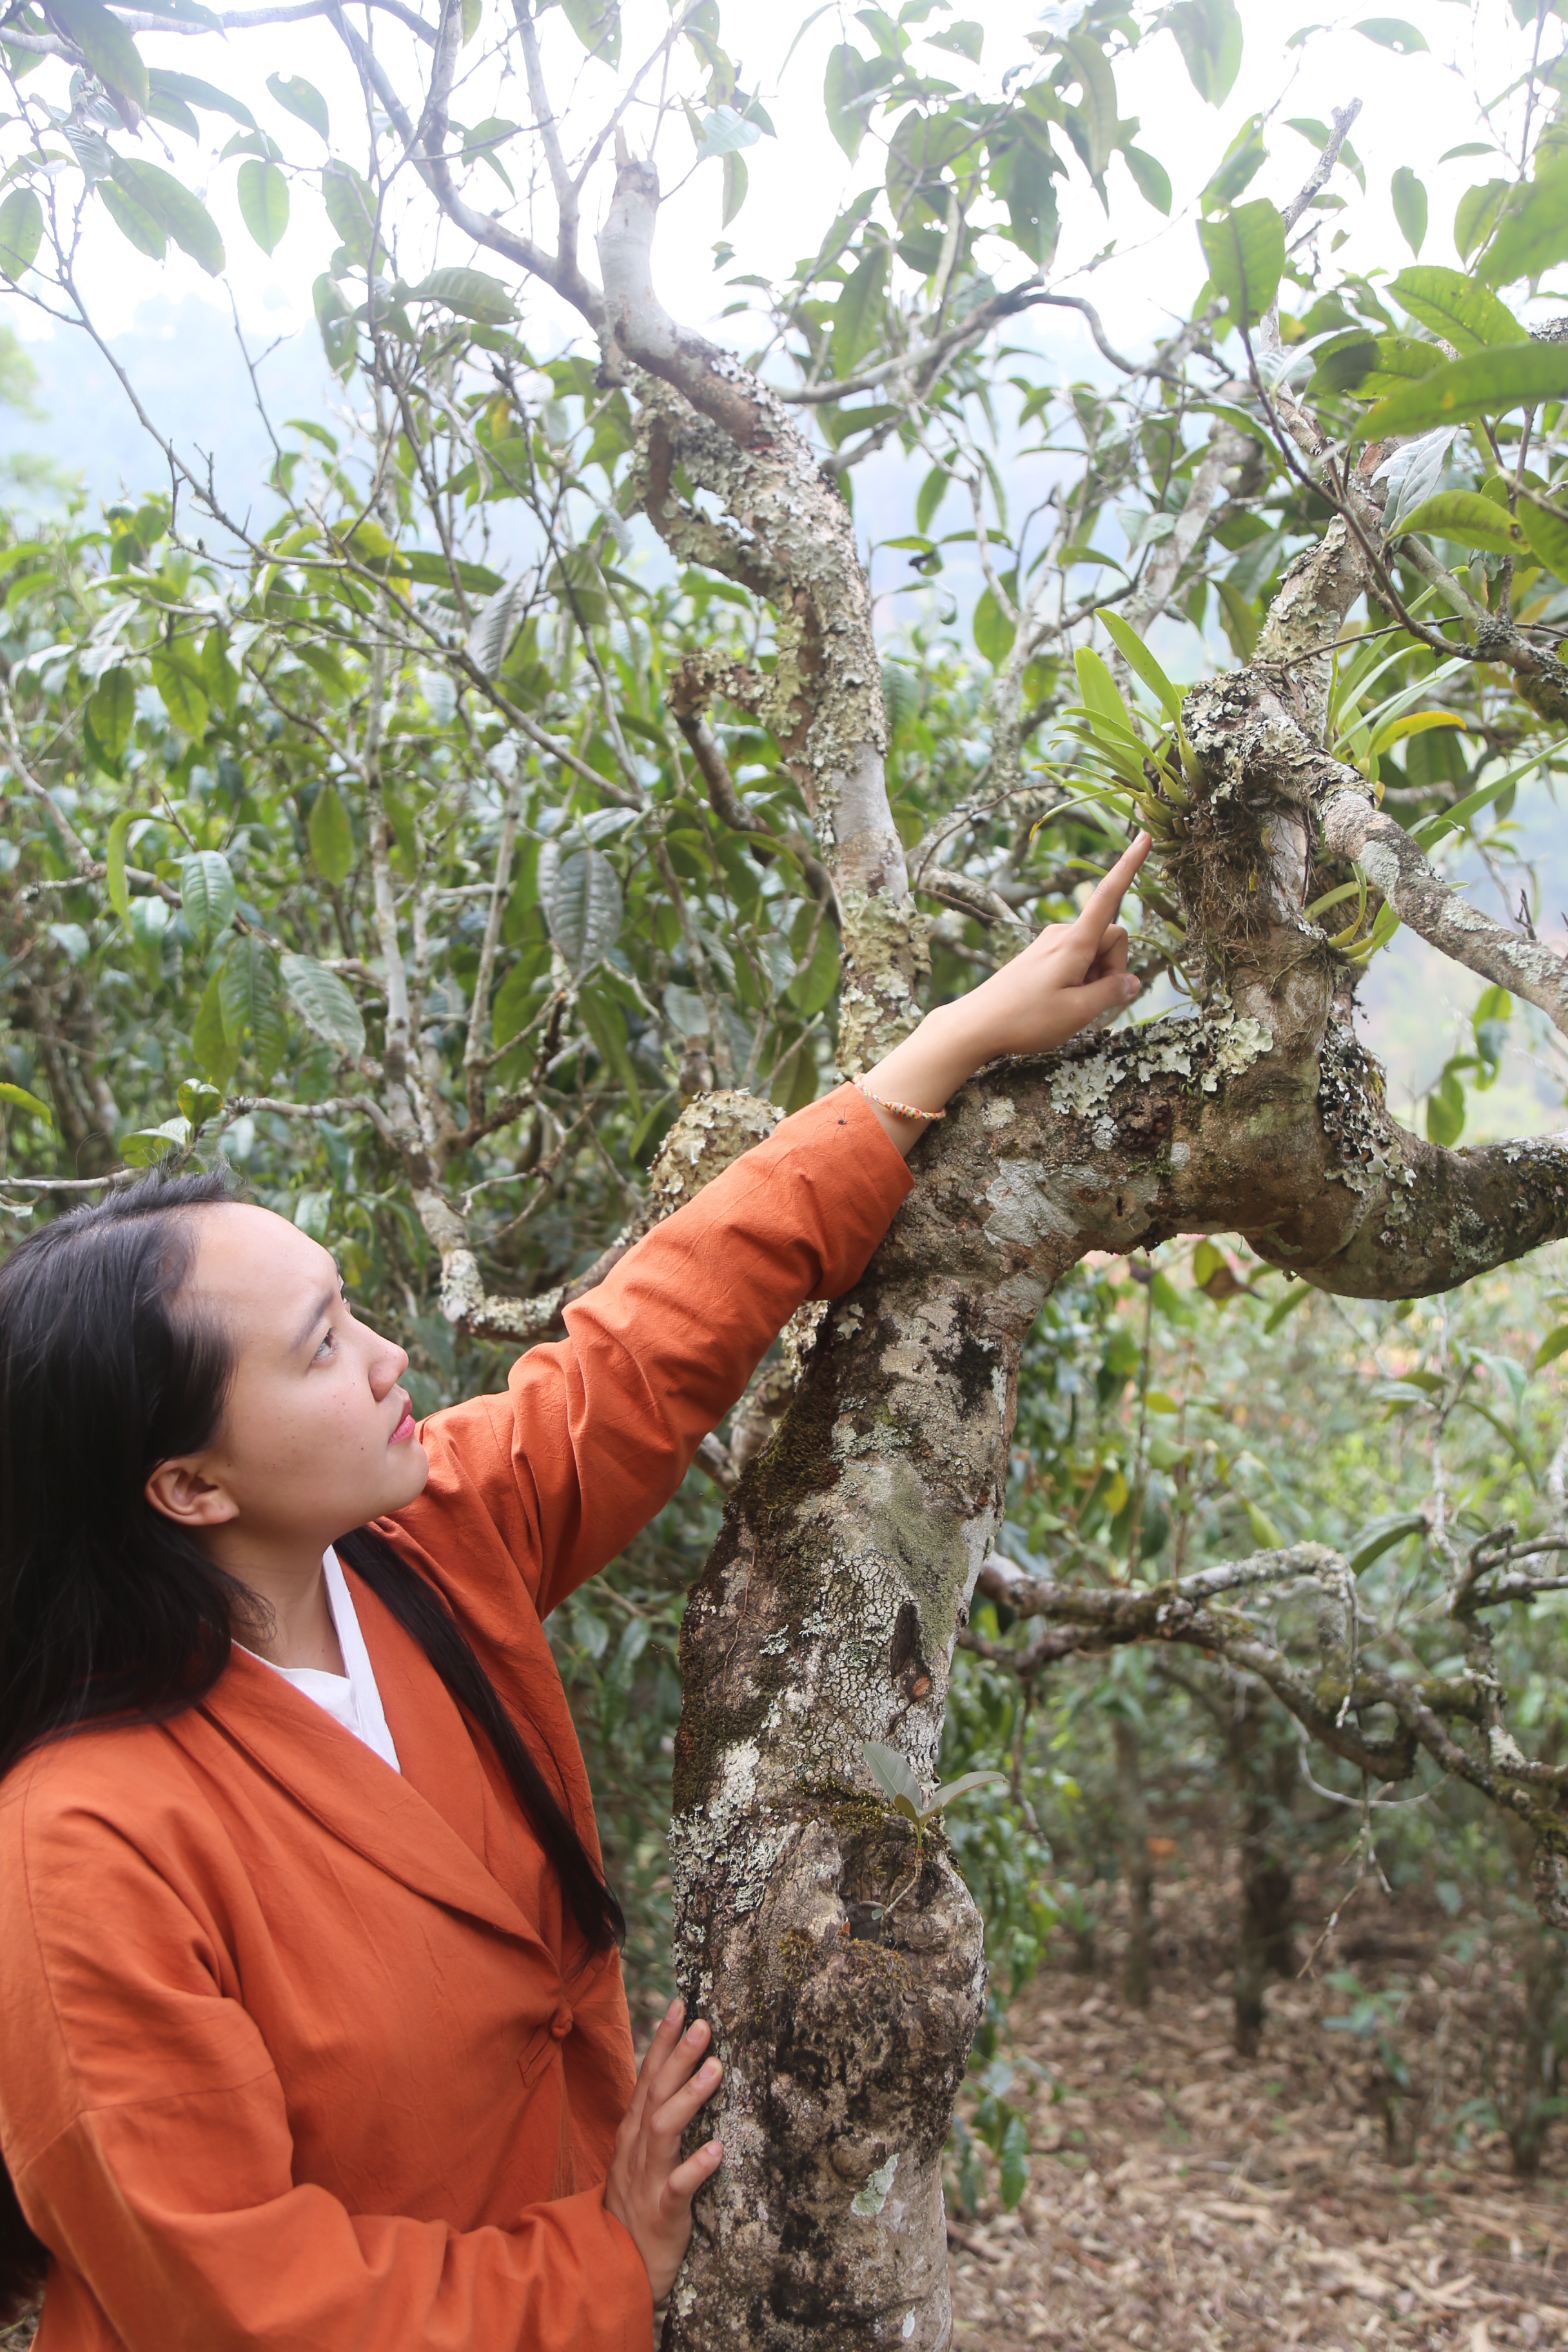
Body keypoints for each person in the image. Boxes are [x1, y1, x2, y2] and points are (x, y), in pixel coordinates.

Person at [0, 837, 1147, 2352]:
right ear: (189, 1488)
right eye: (321, 1347)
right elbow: (241, 2303)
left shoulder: (417, 1552)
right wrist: (600, 2262)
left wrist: (943, 1049)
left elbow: (640, 1350)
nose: (390, 1355)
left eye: (353, 1307)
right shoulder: (79, 1851)